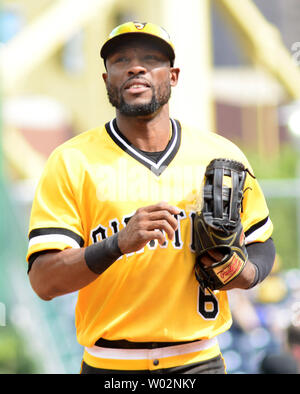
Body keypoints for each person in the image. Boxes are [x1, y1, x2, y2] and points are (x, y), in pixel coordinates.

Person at [27, 21, 276, 374]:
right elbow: (44, 281)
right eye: (120, 60)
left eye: (151, 58)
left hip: (198, 361)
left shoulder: (220, 154)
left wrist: (242, 272)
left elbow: (262, 243)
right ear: (106, 79)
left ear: (173, 76)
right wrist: (117, 243)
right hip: (111, 367)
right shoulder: (72, 161)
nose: (135, 67)